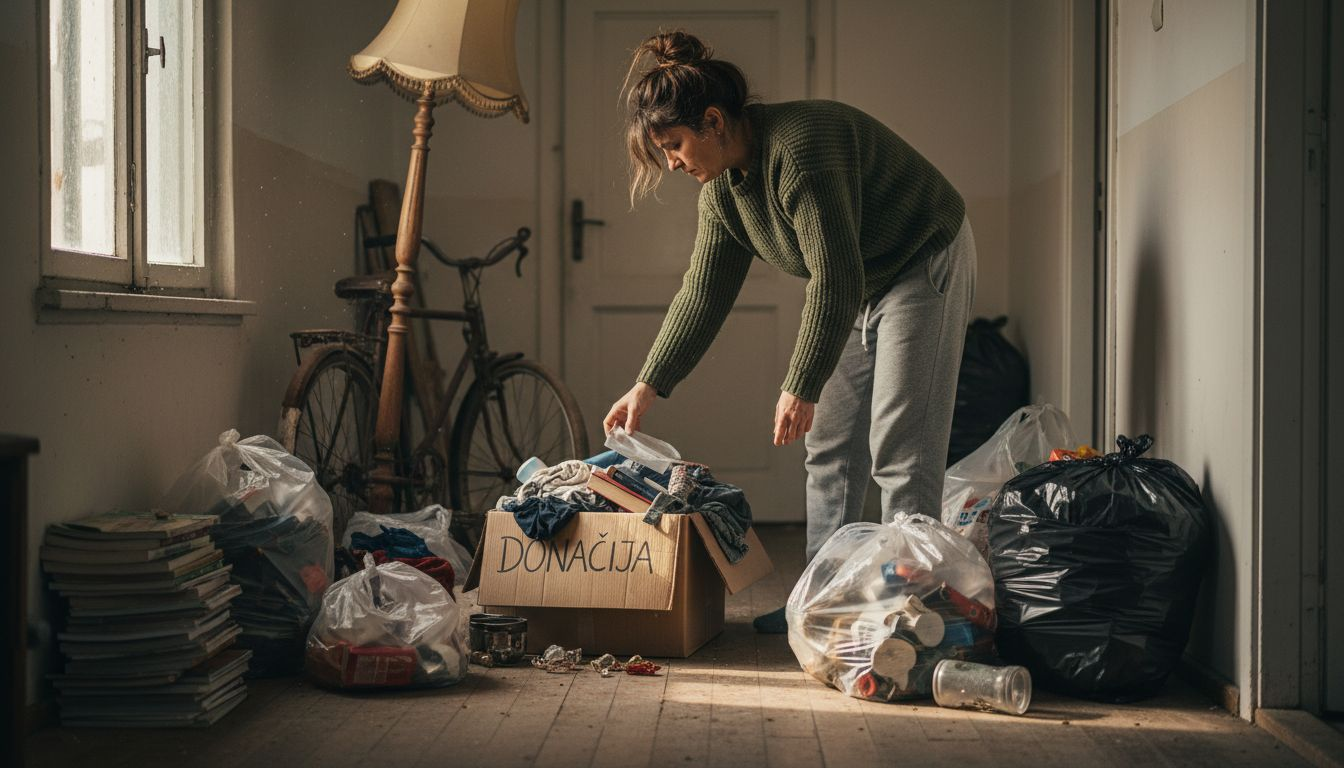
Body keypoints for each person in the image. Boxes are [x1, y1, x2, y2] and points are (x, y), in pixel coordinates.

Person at [603, 31, 976, 634]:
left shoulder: (801, 149)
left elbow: (834, 275)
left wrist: (799, 384)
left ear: (714, 121)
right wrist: (648, 386)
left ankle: (910, 611)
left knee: (899, 449)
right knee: (828, 448)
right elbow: (703, 292)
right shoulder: (721, 192)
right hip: (857, 280)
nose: (672, 162)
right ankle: (821, 602)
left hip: (918, 256)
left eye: (675, 144)